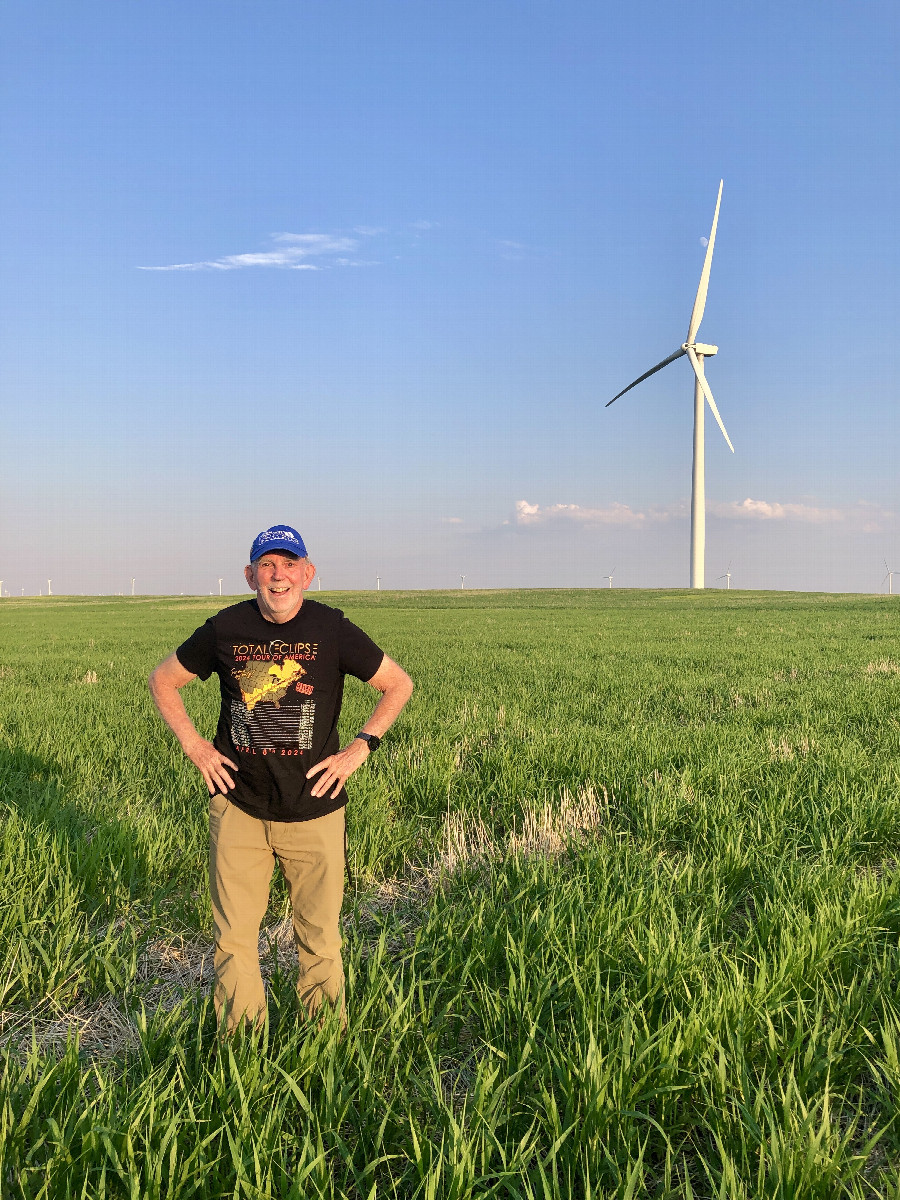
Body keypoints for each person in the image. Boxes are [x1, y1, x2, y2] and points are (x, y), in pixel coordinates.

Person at [148, 524, 413, 1032]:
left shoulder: (332, 629)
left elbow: (398, 685)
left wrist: (361, 747)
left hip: (315, 809)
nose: (278, 575)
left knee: (319, 937)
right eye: (267, 565)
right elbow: (163, 680)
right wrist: (194, 745)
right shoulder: (225, 629)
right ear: (250, 576)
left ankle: (323, 1043)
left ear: (308, 574)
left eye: (289, 564)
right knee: (233, 941)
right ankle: (244, 1049)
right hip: (238, 807)